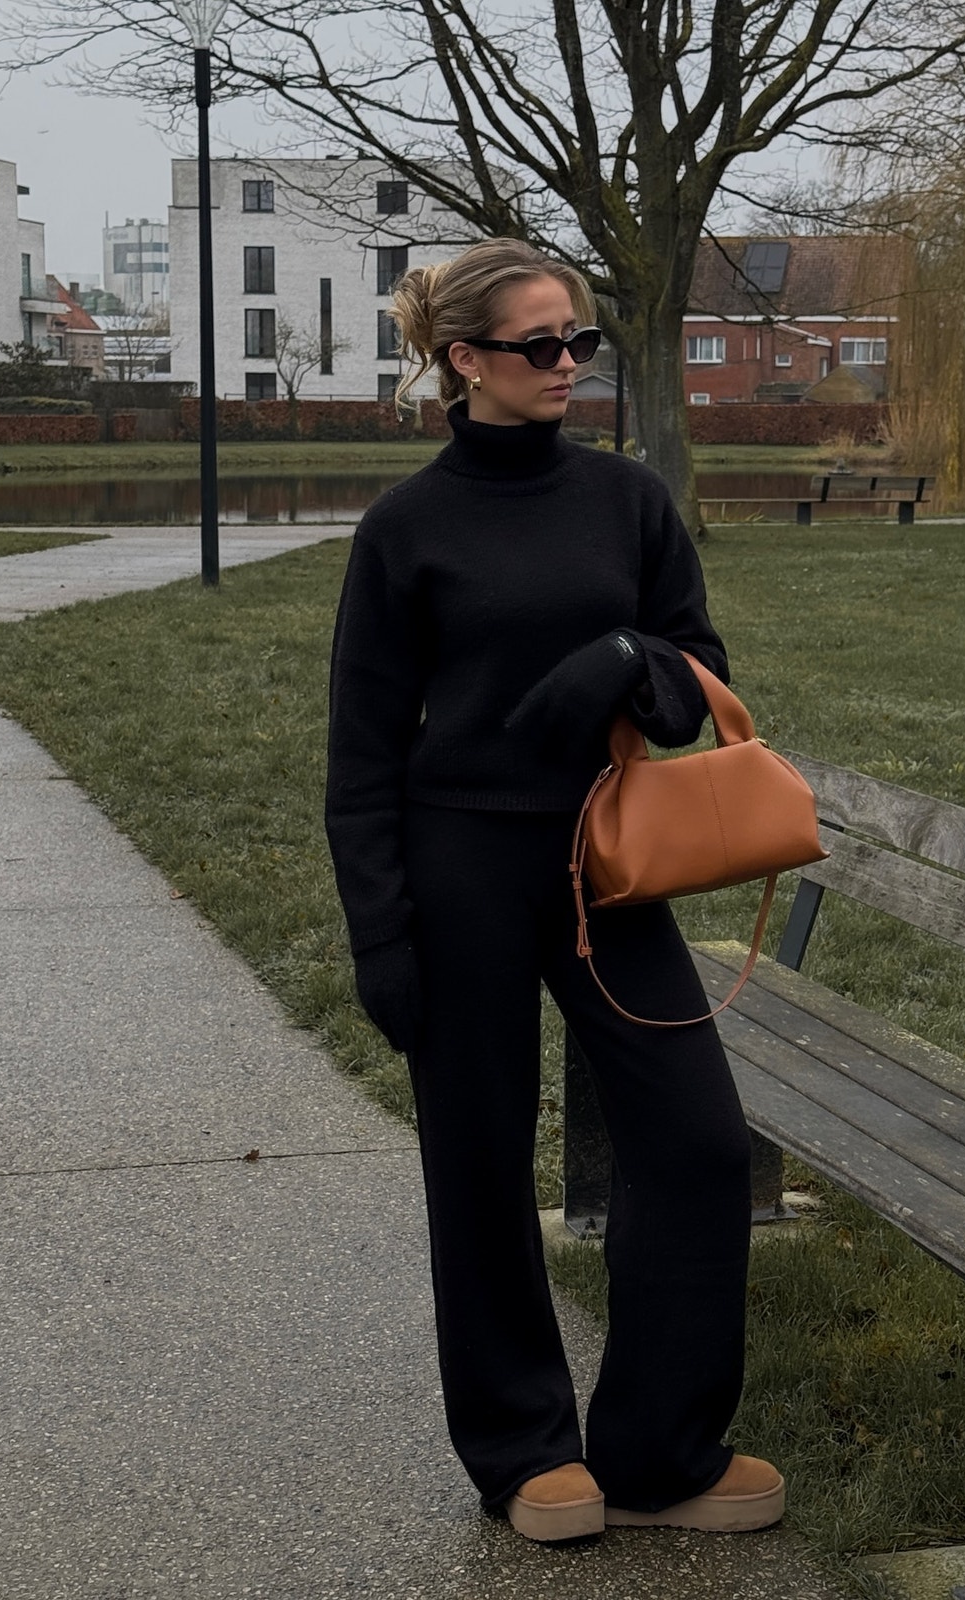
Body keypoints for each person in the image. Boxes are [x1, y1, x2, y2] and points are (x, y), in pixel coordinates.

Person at [325, 237, 784, 1543]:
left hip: (608, 862)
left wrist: (627, 657)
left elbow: (698, 667)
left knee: (696, 1145)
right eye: (540, 345)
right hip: (457, 869)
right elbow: (362, 754)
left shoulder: (625, 500)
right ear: (463, 360)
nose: (569, 362)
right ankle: (523, 1451)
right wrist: (381, 934)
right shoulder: (405, 528)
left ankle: (658, 1452)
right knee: (479, 1164)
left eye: (579, 340)